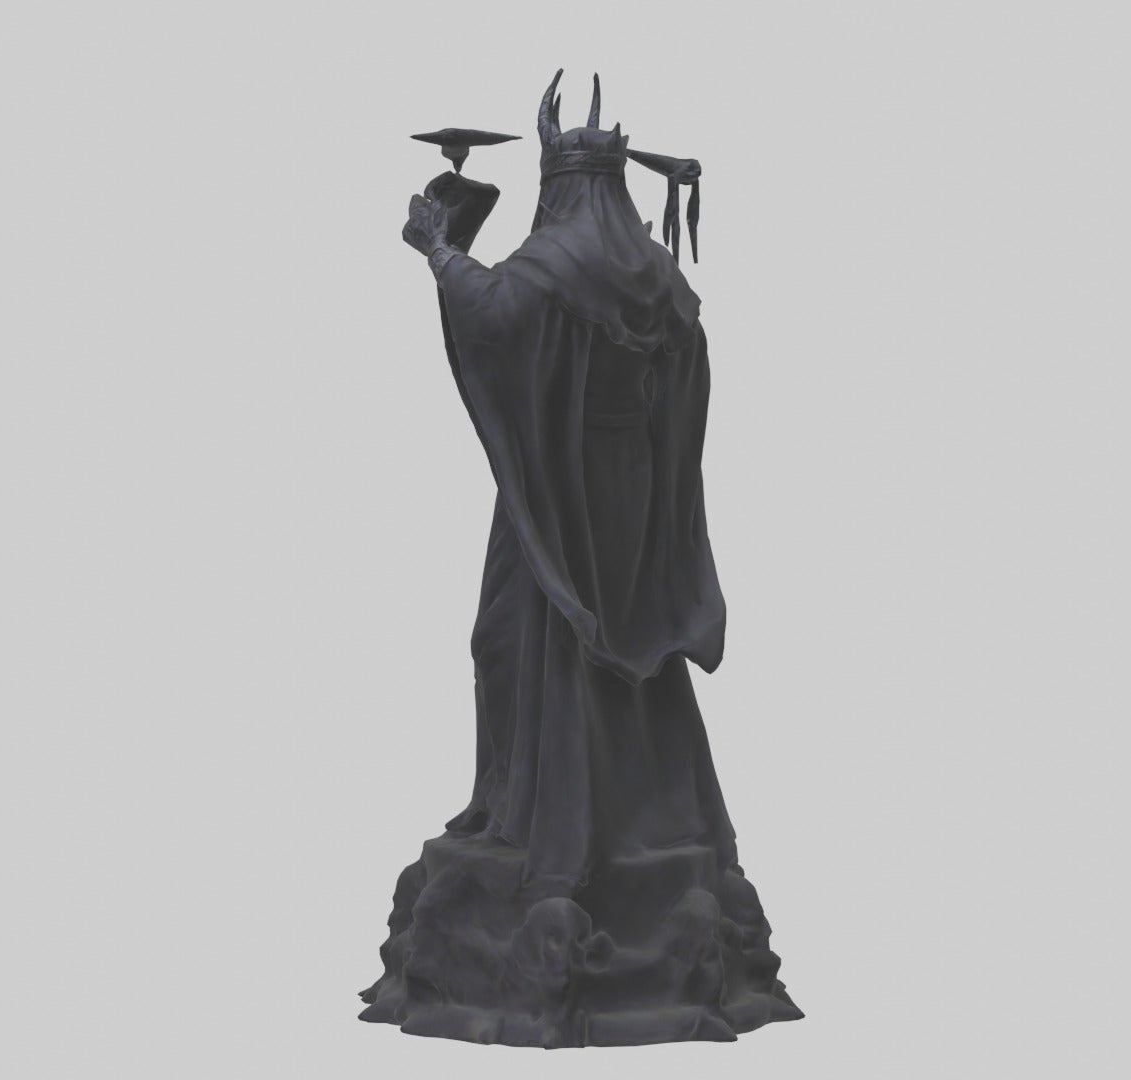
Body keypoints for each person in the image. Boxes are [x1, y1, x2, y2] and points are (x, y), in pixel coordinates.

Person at [359, 71, 802, 1048]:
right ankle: (626, 822)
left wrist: (439, 247)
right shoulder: (654, 273)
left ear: (559, 184)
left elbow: (494, 315)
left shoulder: (559, 258)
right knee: (620, 660)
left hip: (559, 499)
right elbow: (684, 374)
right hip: (629, 495)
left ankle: (549, 833)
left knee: (526, 643)